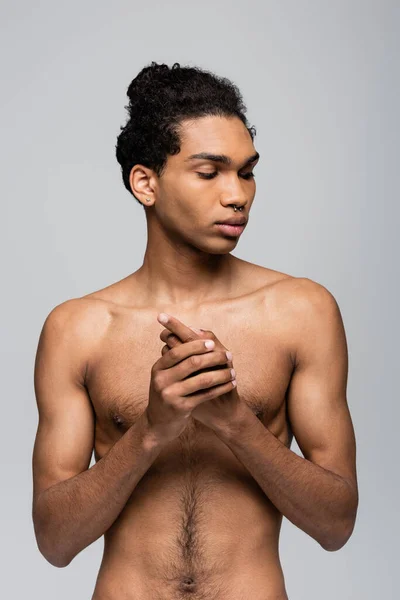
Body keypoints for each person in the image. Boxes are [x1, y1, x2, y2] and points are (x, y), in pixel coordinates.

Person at [32, 61, 358, 599]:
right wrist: (151, 430)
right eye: (210, 173)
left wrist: (236, 422)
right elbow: (55, 541)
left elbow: (336, 525)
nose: (238, 195)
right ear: (146, 183)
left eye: (247, 171)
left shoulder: (302, 311)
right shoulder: (78, 329)